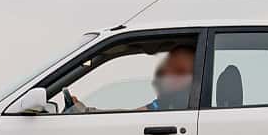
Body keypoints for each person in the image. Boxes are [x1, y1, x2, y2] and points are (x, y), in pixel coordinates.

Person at [65, 44, 195, 113]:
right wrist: (86, 110)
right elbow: (133, 114)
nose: (167, 75)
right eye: (169, 69)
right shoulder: (170, 101)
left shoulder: (186, 102)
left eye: (179, 71)